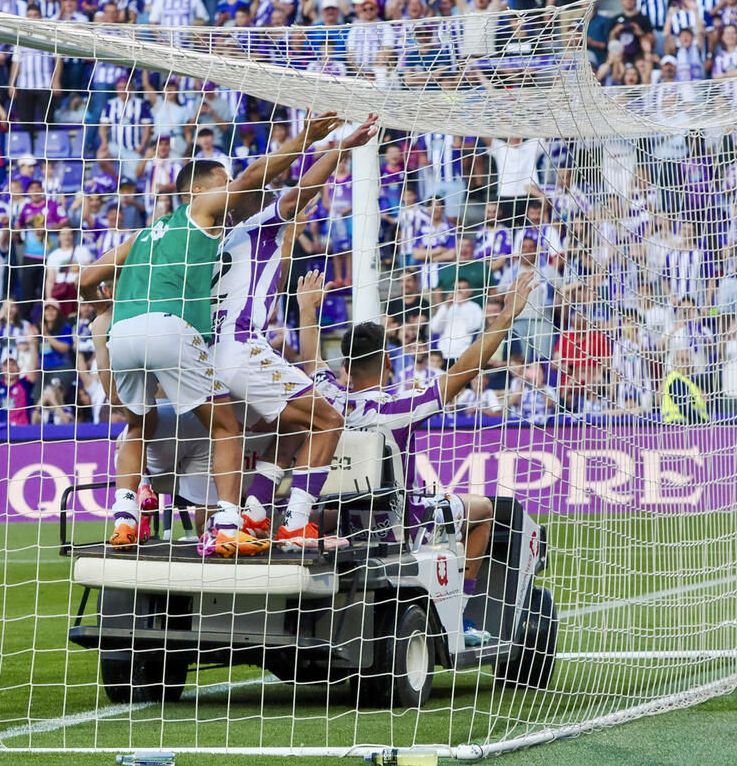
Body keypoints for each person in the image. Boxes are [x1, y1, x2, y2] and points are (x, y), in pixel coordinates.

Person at [78, 111, 346, 556]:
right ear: (199, 190)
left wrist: (112, 303)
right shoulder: (210, 219)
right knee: (249, 427)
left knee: (138, 426)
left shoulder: (145, 236)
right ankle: (235, 523)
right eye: (223, 180)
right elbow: (278, 186)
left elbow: (85, 279)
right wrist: (328, 145)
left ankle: (127, 516)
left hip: (123, 333)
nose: (232, 186)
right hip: (206, 340)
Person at [296, 268, 539, 647]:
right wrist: (506, 316)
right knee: (485, 511)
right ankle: (460, 615)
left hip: (337, 517)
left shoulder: (324, 397)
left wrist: (306, 311)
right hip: (399, 525)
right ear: (388, 364)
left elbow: (311, 360)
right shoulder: (400, 407)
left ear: (345, 366)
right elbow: (465, 370)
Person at [209, 115, 377, 552]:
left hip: (211, 359)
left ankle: (254, 512)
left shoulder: (209, 243)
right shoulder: (253, 226)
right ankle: (296, 524)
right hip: (243, 348)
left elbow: (265, 275)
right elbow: (302, 192)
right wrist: (340, 148)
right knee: (330, 420)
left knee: (292, 428)